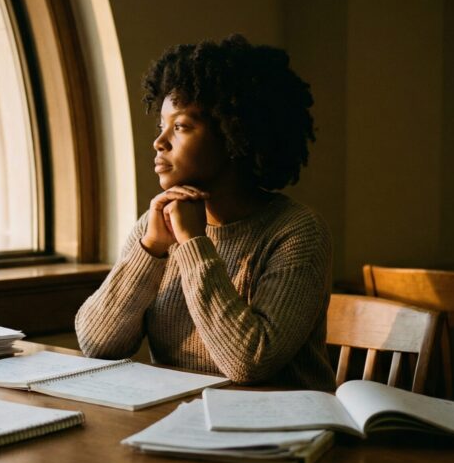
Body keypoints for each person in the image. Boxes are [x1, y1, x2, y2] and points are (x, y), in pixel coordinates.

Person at [75, 34, 335, 391]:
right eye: (161, 126)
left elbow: (248, 362)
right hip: (181, 421)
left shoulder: (296, 231)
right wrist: (150, 248)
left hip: (282, 430)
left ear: (234, 134)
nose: (159, 141)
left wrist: (194, 243)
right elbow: (97, 344)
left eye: (179, 126)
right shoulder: (158, 224)